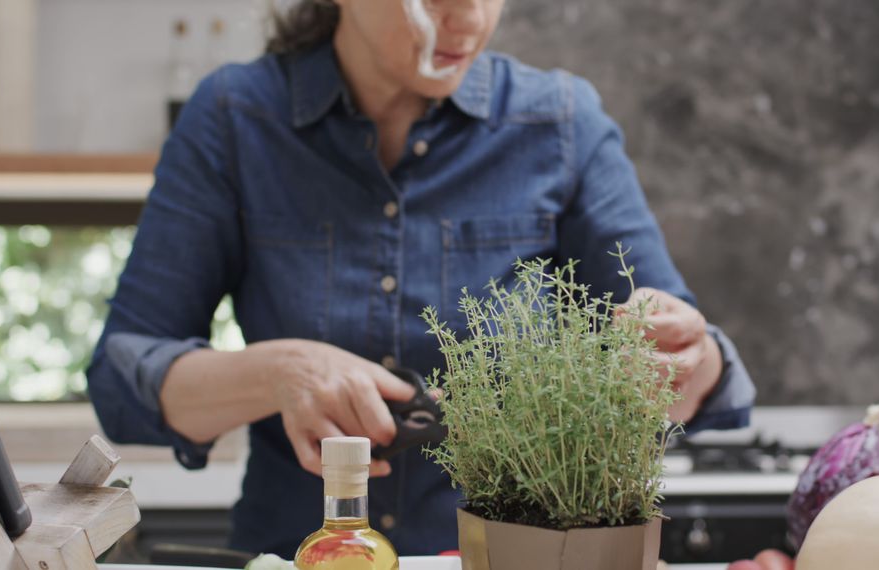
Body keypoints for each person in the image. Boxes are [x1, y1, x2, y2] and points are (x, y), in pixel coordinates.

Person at [87, 0, 756, 558]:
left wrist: (686, 360)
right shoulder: (236, 118)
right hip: (296, 557)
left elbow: (684, 363)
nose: (466, 16)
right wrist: (278, 372)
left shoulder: (561, 123)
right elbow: (123, 382)